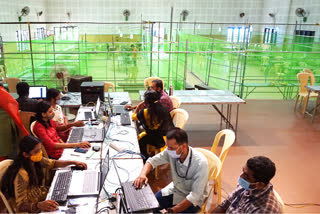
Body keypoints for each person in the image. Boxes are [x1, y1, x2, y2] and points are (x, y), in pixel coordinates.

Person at [0, 135, 88, 213]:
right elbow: (21, 205)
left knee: (68, 193)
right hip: (30, 207)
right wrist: (38, 205)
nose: (40, 153)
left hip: (38, 197)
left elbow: (53, 163)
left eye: (40, 149)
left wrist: (73, 162)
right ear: (26, 154)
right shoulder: (22, 174)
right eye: (36, 151)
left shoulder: (34, 160)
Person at [134, 128, 209, 213]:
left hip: (193, 200)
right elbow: (152, 161)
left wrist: (171, 211)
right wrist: (142, 175)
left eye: (171, 147)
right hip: (176, 189)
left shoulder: (200, 163)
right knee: (150, 205)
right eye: (167, 146)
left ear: (183, 146)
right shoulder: (171, 151)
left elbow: (194, 196)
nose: (168, 150)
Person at [211, 156, 282, 214]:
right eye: (243, 171)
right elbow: (225, 205)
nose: (241, 177)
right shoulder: (247, 186)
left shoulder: (265, 210)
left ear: (260, 184)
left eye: (246, 176)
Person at [131, 90, 174, 158]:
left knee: (141, 140)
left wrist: (138, 107)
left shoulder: (146, 112)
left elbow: (133, 117)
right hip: (168, 136)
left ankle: (144, 158)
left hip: (158, 139)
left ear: (146, 101)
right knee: (143, 135)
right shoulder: (163, 108)